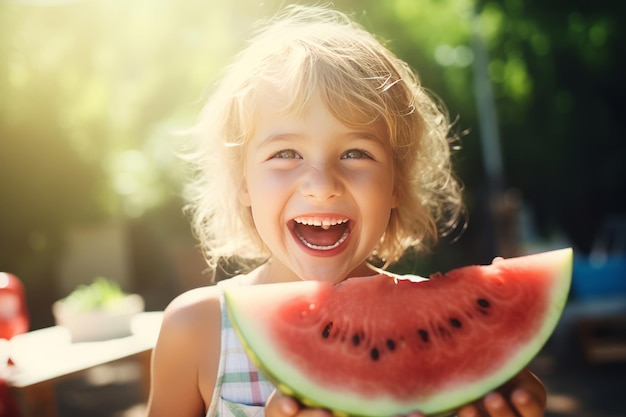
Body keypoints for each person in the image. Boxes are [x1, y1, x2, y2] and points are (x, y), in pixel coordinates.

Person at [146, 5, 547, 417]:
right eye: (285, 153)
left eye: (356, 153)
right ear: (243, 182)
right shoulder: (198, 331)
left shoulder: (449, 333)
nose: (321, 186)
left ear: (397, 182)